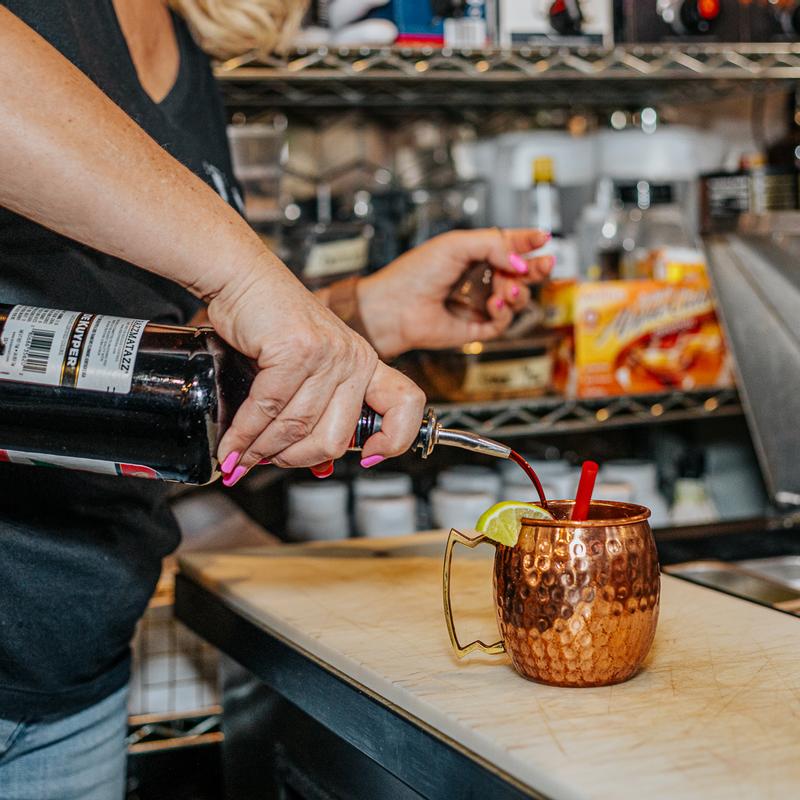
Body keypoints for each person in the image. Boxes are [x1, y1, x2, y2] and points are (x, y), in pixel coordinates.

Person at [0, 2, 553, 798]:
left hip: (74, 670)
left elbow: (148, 360)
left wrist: (369, 311)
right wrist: (246, 272)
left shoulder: (185, 46)